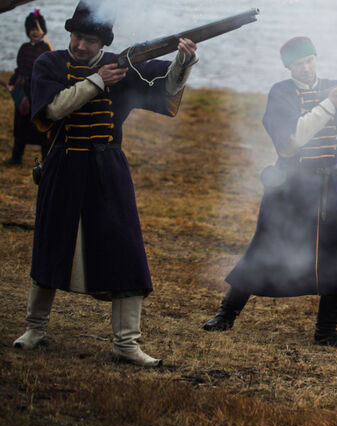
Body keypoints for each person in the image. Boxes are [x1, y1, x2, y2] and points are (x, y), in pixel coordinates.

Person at [12, 1, 198, 367]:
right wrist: (98, 81)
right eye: (78, 37)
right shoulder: (49, 63)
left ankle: (126, 343)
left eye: (90, 40)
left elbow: (165, 88)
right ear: (70, 34)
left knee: (126, 252)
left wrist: (183, 61)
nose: (81, 46)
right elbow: (52, 109)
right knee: (51, 245)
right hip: (63, 164)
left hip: (108, 167)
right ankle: (35, 328)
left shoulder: (123, 64)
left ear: (103, 43)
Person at [202, 37, 337, 348]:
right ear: (288, 67)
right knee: (265, 249)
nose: (306, 68)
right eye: (299, 64)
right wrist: (330, 104)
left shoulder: (336, 87)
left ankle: (326, 332)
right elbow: (291, 142)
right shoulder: (281, 93)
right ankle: (226, 314)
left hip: (331, 183)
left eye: (309, 61)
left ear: (316, 59)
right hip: (290, 185)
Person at [4, 9, 51, 165]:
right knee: (21, 126)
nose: (34, 32)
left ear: (43, 30)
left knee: (42, 126)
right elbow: (19, 69)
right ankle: (16, 158)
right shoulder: (24, 48)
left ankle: (47, 159)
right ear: (27, 31)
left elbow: (50, 73)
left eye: (37, 29)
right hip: (23, 91)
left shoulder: (46, 50)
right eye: (31, 29)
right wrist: (13, 83)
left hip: (38, 93)